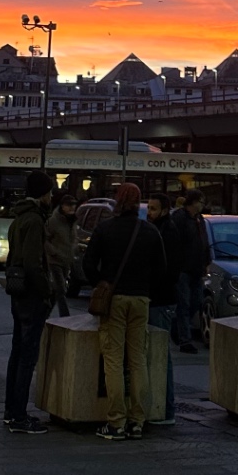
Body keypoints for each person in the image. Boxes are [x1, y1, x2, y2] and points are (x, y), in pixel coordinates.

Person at [84, 182, 166, 439]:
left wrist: (101, 283)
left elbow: (88, 263)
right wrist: (146, 288)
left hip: (114, 299)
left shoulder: (105, 228)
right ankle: (137, 421)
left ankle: (116, 422)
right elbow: (161, 269)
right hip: (140, 298)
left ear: (118, 200)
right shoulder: (150, 231)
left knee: (114, 360)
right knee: (138, 360)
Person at [3, 168, 55, 435]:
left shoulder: (19, 219)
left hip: (18, 292)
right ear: (43, 194)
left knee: (17, 352)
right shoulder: (35, 220)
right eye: (50, 192)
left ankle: (11, 411)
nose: (51, 197)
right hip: (32, 296)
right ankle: (19, 416)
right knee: (27, 356)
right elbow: (34, 264)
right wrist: (47, 292)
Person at [147, 194, 183, 423]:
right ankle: (162, 406)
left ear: (164, 210)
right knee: (158, 352)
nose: (149, 212)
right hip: (160, 298)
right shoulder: (161, 229)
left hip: (160, 299)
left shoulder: (166, 232)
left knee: (160, 353)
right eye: (148, 208)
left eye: (153, 208)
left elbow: (167, 269)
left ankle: (166, 407)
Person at [169, 190, 211, 353]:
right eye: (200, 202)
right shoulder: (180, 218)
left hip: (196, 268)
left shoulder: (199, 219)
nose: (202, 205)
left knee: (196, 301)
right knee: (184, 303)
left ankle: (177, 327)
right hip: (183, 268)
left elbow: (204, 241)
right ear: (193, 202)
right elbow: (175, 242)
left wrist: (206, 261)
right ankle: (185, 339)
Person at [45, 190, 78, 317]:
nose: (72, 207)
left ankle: (44, 314)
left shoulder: (72, 221)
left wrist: (74, 247)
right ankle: (65, 316)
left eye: (74, 205)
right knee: (61, 289)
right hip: (55, 261)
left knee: (56, 291)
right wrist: (53, 252)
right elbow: (45, 239)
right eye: (69, 205)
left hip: (66, 260)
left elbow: (73, 238)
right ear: (62, 206)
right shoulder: (54, 221)